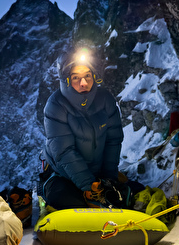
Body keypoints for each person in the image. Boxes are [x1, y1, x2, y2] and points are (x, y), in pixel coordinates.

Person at [42, 47, 127, 210]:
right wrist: (89, 186)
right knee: (68, 202)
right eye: (76, 78)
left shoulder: (105, 100)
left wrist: (108, 179)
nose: (84, 83)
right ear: (66, 80)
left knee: (121, 197)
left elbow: (113, 141)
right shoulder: (55, 106)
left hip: (98, 172)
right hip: (64, 174)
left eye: (87, 76)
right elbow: (64, 151)